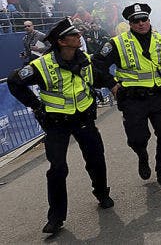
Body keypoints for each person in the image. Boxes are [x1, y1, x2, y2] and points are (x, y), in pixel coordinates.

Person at [7, 18, 116, 235]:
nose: (79, 37)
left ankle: (102, 193)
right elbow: (14, 81)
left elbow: (98, 77)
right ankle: (56, 217)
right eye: (74, 35)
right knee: (57, 169)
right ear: (62, 41)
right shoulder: (41, 65)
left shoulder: (84, 59)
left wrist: (113, 84)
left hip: (84, 118)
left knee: (96, 159)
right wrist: (36, 106)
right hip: (56, 123)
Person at [92, 3, 161, 187]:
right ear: (130, 23)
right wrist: (112, 84)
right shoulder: (117, 43)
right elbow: (97, 65)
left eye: (144, 19)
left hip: (159, 96)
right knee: (137, 138)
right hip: (132, 99)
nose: (140, 23)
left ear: (149, 20)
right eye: (135, 21)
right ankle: (142, 155)